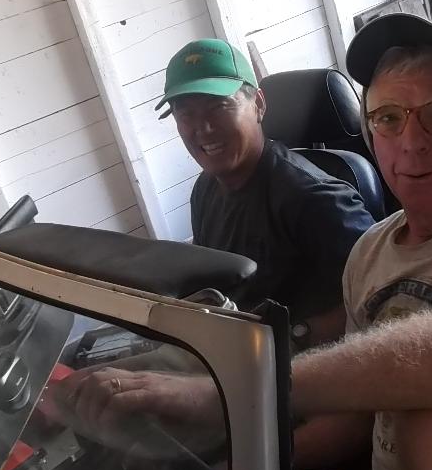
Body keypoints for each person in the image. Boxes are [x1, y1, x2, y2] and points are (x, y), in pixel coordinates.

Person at [55, 15, 432, 470]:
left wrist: (224, 394)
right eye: (388, 118)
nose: (411, 141)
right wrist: (242, 468)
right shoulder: (371, 252)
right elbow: (362, 413)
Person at [154, 38, 375, 349]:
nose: (203, 128)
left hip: (302, 364)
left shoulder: (315, 199)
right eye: (185, 113)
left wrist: (288, 339)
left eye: (219, 106)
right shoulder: (206, 188)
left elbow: (379, 299)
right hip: (229, 351)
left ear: (258, 104)